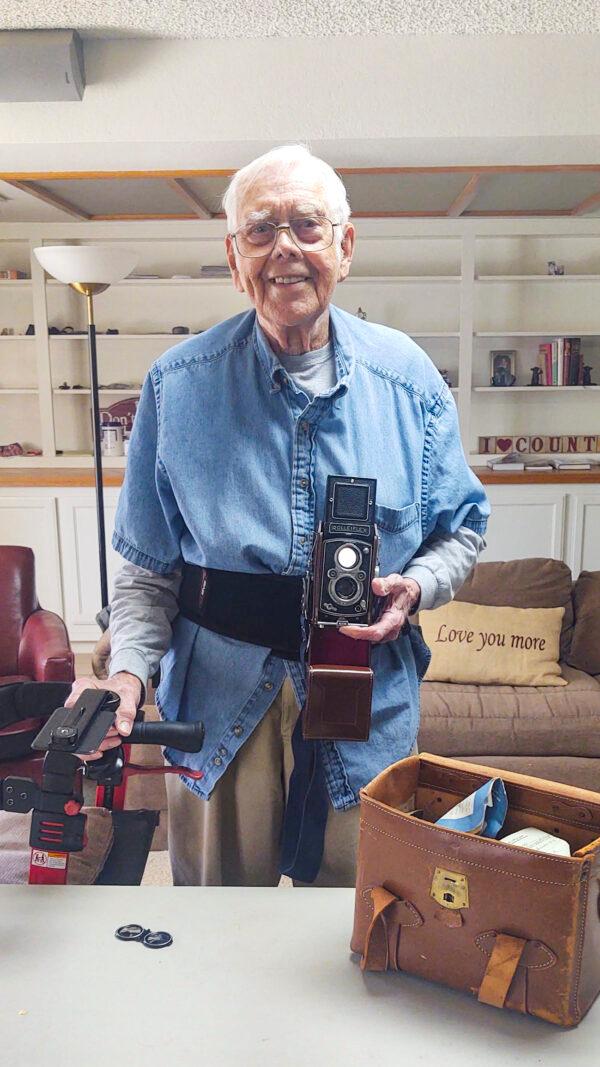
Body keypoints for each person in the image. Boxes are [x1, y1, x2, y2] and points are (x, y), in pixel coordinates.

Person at [68, 144, 490, 887]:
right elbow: (146, 573)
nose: (284, 248)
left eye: (307, 225)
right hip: (222, 699)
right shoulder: (177, 387)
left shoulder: (410, 382)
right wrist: (127, 674)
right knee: (221, 937)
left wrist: (417, 585)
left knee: (361, 926)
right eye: (260, 231)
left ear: (345, 246)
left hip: (366, 691)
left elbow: (463, 525)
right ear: (234, 258)